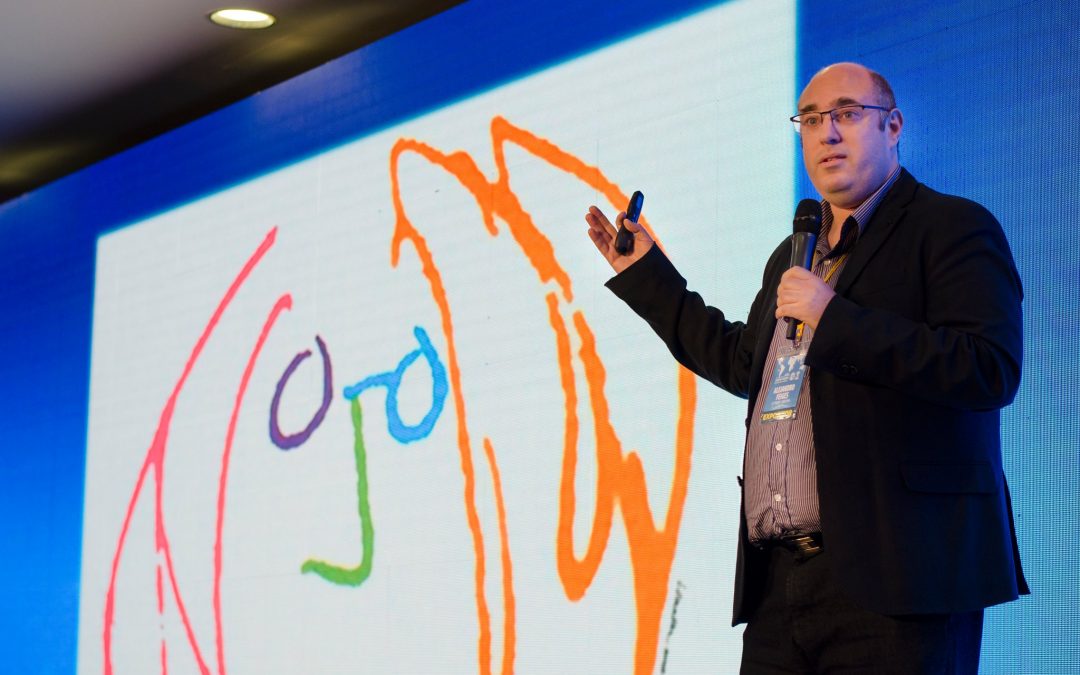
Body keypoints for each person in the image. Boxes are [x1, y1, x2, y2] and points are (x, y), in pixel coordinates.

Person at [585, 62, 1027, 673]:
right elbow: (744, 364)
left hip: (901, 582)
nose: (828, 133)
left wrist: (833, 317)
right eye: (812, 120)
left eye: (847, 113)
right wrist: (649, 277)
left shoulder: (951, 227)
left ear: (894, 125)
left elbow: (988, 367)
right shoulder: (795, 254)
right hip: (780, 586)